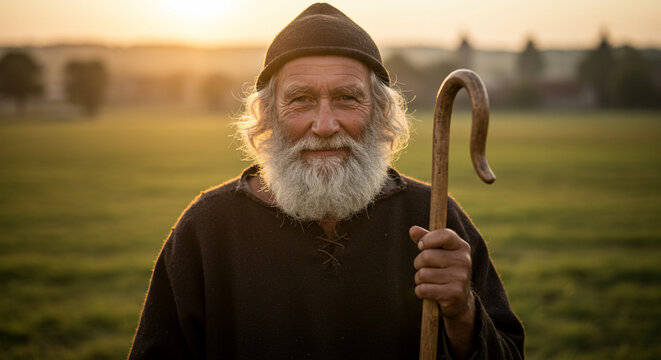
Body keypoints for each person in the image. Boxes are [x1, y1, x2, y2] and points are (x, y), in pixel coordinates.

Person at [128, 3, 524, 359]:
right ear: (267, 116)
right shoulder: (207, 229)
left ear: (380, 113)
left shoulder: (433, 218)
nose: (324, 125)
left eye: (347, 98)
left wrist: (462, 312)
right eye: (300, 99)